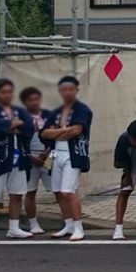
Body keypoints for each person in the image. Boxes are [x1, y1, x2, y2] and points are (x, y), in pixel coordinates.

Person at [0, 79, 35, 244]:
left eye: (10, 91)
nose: (8, 95)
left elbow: (29, 127)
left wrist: (13, 126)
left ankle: (14, 228)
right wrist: (14, 126)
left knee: (17, 194)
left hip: (18, 157)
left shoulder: (20, 111)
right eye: (3, 92)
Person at [40, 76, 93, 242]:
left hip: (73, 154)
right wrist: (62, 131)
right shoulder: (56, 112)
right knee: (57, 192)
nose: (67, 92)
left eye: (71, 89)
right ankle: (68, 224)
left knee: (68, 191)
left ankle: (79, 227)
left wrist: (57, 131)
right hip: (57, 154)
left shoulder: (83, 110)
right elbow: (43, 133)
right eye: (64, 89)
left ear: (76, 91)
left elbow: (75, 131)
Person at [20, 87, 51, 235]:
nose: (34, 102)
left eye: (36, 99)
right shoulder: (21, 118)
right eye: (30, 100)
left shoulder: (48, 115)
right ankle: (33, 223)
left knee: (60, 191)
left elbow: (54, 135)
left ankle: (69, 222)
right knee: (30, 192)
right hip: (29, 157)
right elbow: (18, 140)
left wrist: (47, 152)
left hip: (48, 156)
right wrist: (30, 156)